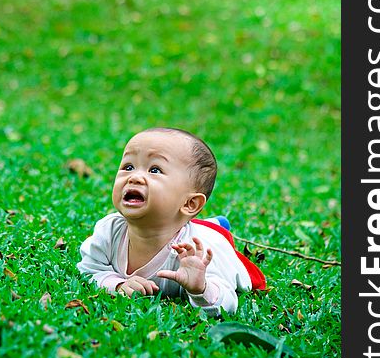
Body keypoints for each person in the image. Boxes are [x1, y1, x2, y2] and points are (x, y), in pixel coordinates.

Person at [77, 127, 266, 315]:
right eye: (128, 167)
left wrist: (200, 288)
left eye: (155, 170)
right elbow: (89, 268)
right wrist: (116, 284)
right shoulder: (109, 229)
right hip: (187, 224)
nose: (135, 177)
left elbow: (227, 303)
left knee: (218, 237)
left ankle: (217, 227)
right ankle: (212, 223)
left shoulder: (195, 254)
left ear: (190, 203)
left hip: (212, 240)